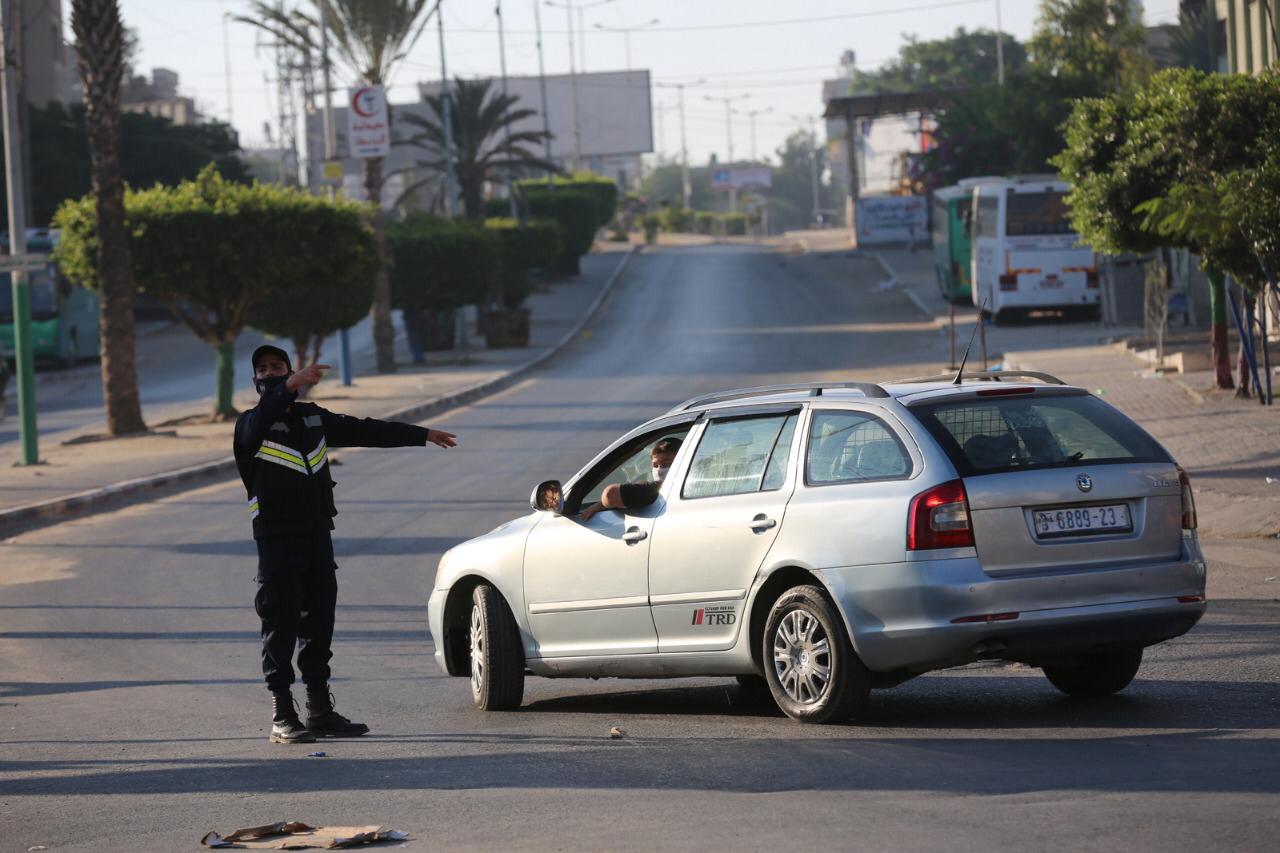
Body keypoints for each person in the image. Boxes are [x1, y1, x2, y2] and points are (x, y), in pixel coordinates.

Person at [234, 345, 457, 744]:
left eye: (278, 367)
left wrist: (421, 435)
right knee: (280, 623)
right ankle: (283, 713)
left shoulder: (313, 417)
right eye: (264, 370)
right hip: (276, 540)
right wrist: (288, 386)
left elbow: (367, 430)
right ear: (255, 381)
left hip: (318, 535)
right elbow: (262, 418)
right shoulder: (250, 425)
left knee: (319, 624)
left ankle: (320, 710)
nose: (271, 373)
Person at [579, 437, 682, 521]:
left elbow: (610, 494)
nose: (659, 469)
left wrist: (600, 505)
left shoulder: (657, 489)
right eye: (655, 465)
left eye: (666, 464)